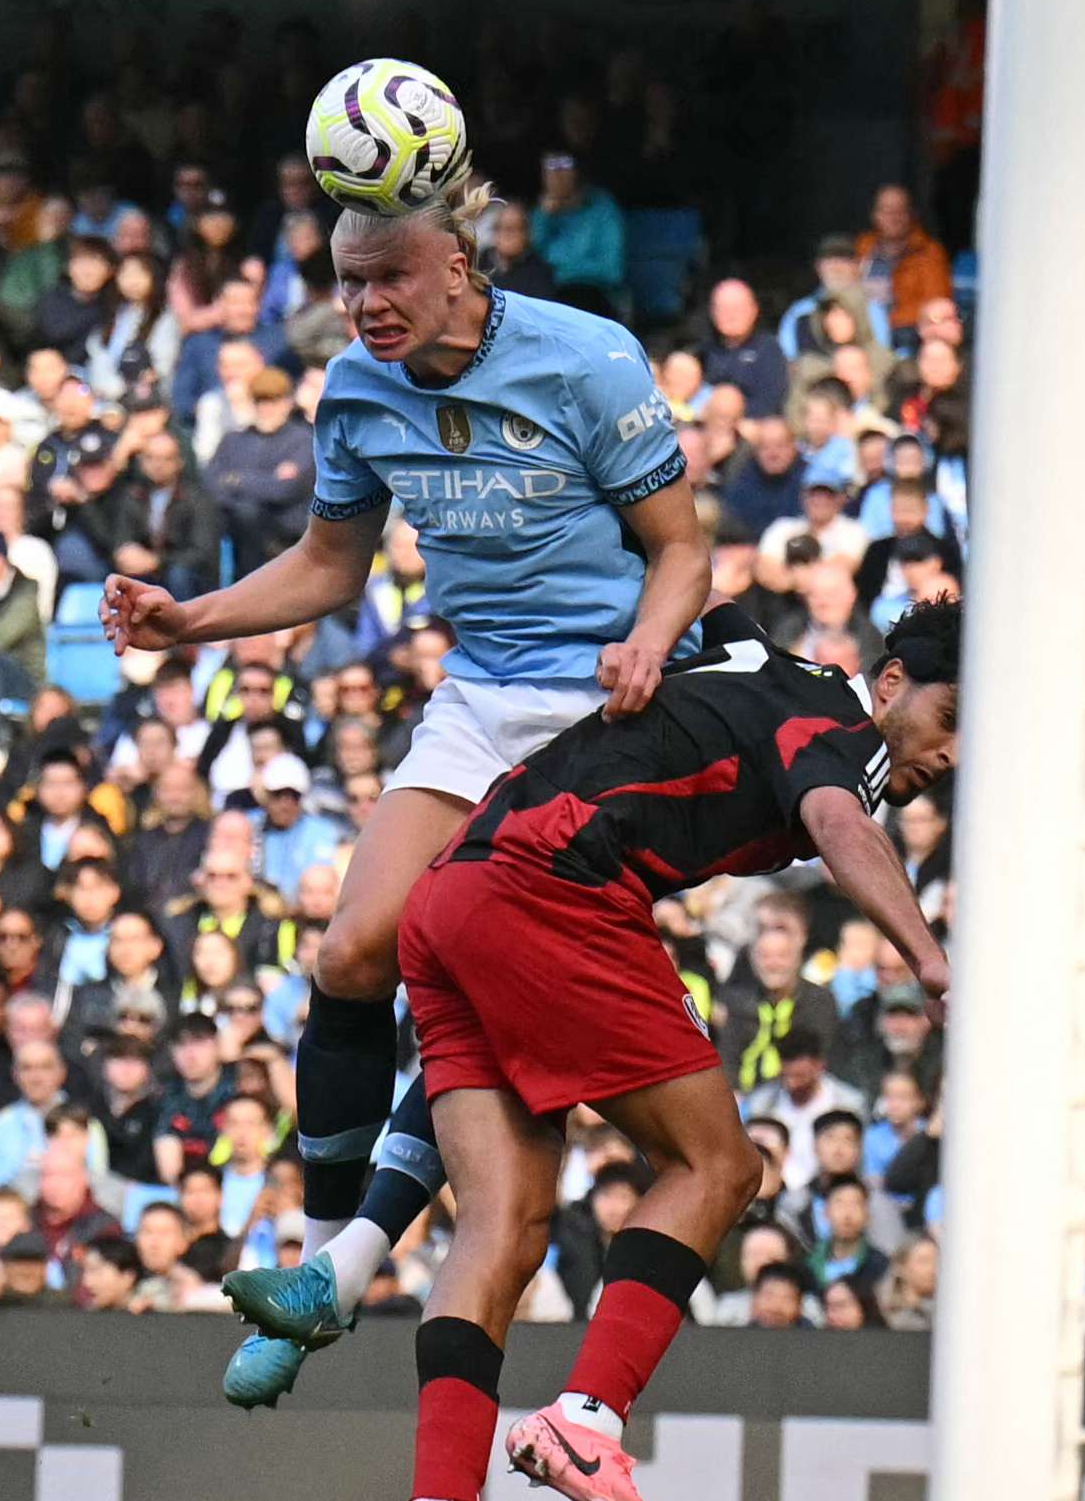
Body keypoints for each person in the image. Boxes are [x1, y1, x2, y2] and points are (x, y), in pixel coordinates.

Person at [99, 184, 711, 1409]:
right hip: (481, 698)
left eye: (388, 278)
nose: (365, 304)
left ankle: (351, 1262)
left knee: (462, 953)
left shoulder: (585, 358)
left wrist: (648, 640)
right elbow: (331, 565)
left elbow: (682, 547)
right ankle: (330, 1253)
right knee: (346, 953)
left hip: (606, 715)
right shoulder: (359, 391)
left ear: (457, 266)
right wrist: (190, 622)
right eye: (346, 281)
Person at [399, 602, 956, 1501]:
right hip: (557, 881)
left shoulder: (758, 659)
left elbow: (713, 618)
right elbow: (840, 822)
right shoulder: (847, 735)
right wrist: (933, 964)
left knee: (504, 1223)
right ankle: (587, 1417)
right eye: (949, 718)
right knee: (721, 1165)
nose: (950, 753)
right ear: (890, 681)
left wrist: (642, 639)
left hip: (451, 887)